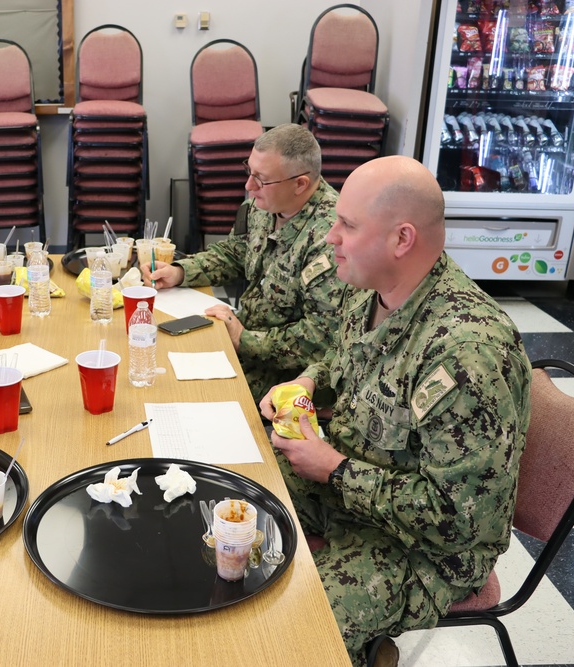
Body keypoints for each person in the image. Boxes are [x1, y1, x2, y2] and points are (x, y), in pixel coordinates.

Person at [259, 156, 531, 666]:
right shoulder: (374, 290)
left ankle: (357, 646)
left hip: (424, 547)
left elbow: (461, 519)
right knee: (237, 489)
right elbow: (342, 358)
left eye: (348, 225)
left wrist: (335, 470)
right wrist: (306, 381)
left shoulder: (465, 354)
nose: (329, 236)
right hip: (355, 480)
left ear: (402, 240)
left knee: (291, 635)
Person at [143, 124, 345, 403]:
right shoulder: (263, 206)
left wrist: (244, 339)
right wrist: (180, 272)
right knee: (153, 362)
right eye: (249, 171)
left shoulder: (331, 239)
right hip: (241, 338)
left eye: (261, 179)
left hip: (283, 375)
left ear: (300, 184)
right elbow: (235, 254)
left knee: (180, 394)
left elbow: (320, 337)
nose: (249, 186)